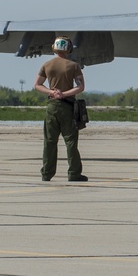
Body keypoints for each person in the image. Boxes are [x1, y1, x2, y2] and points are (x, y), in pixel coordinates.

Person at [34, 37, 88, 182]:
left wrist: (52, 93)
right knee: (70, 141)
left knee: (50, 141)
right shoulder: (73, 66)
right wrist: (64, 94)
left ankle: (46, 173)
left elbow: (37, 85)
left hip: (52, 106)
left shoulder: (47, 65)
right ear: (69, 49)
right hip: (67, 106)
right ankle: (74, 173)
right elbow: (80, 86)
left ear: (54, 47)